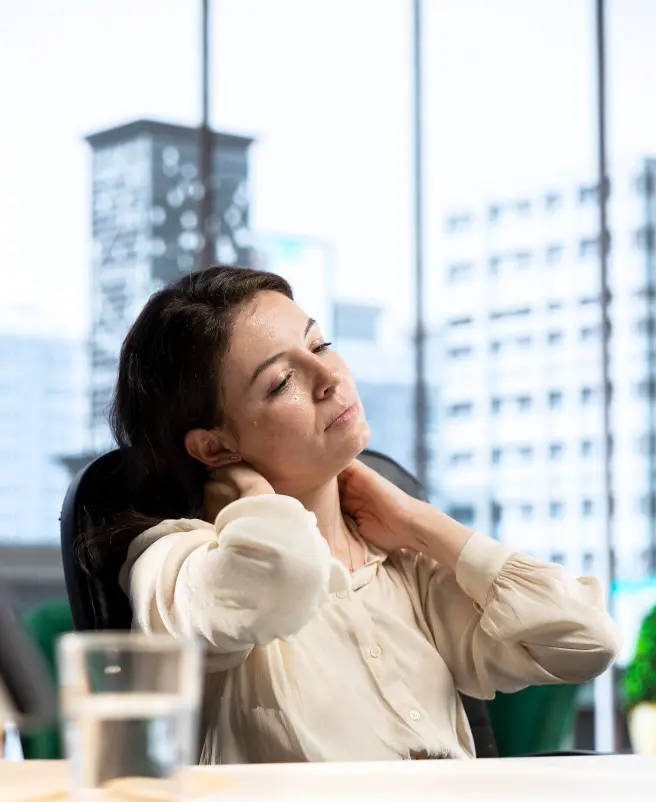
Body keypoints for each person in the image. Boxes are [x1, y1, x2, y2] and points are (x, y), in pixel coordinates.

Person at [101, 265, 620, 764]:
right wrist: (252, 496)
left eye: (319, 344)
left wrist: (420, 522)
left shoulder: (401, 564)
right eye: (283, 382)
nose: (329, 376)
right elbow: (282, 574)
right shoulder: (177, 566)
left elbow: (584, 638)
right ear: (215, 447)